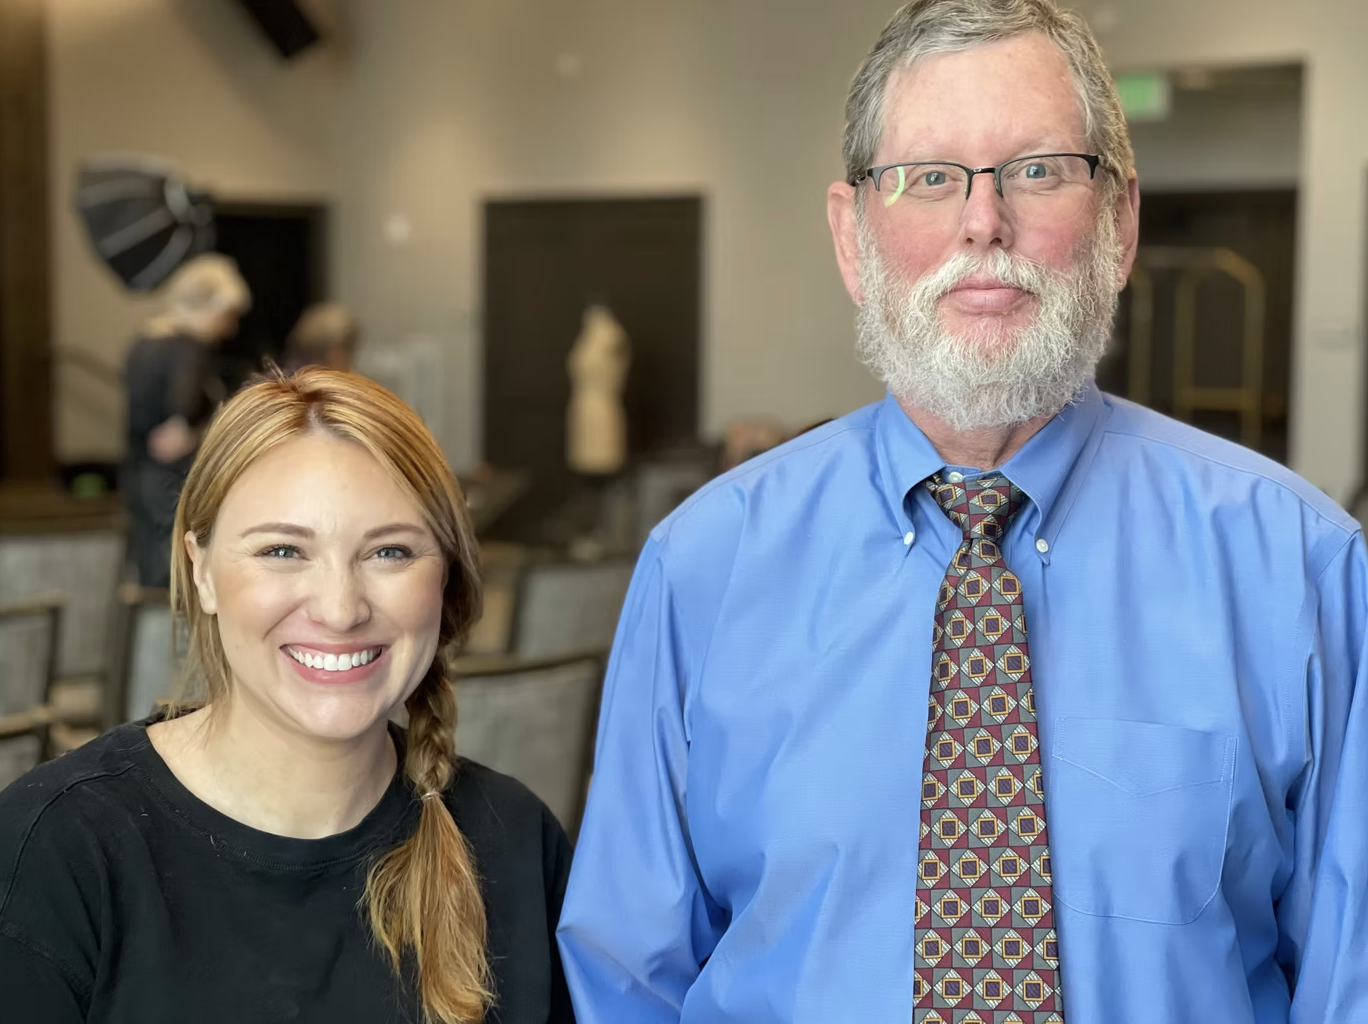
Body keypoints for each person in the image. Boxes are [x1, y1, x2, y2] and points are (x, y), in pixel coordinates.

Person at [556, 1, 1368, 1021]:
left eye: (1037, 169)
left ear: (1119, 224)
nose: (984, 222)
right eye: (929, 176)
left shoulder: (1299, 568)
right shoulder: (701, 569)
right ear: (852, 235)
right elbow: (629, 979)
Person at [0, 368, 575, 1023]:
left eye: (390, 551)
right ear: (201, 572)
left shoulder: (513, 840)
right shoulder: (54, 854)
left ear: (445, 578)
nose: (340, 609)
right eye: (282, 550)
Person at [123, 252, 250, 586]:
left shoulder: (143, 342)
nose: (231, 327)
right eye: (228, 315)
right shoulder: (187, 349)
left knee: (152, 572)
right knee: (181, 576)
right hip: (174, 482)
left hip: (139, 477)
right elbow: (179, 424)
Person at [282, 301, 359, 373]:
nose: (345, 356)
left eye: (348, 347)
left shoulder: (348, 374)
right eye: (342, 346)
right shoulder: (293, 377)